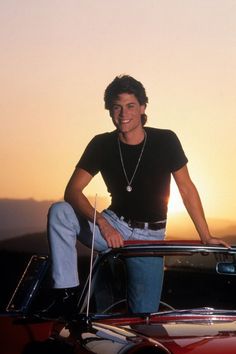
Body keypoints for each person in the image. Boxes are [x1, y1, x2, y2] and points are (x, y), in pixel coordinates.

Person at [44, 75, 229, 318]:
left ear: (142, 108)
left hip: (149, 239)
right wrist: (102, 222)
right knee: (60, 212)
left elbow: (186, 188)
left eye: (130, 106)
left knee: (144, 320)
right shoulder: (101, 144)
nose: (123, 113)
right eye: (117, 107)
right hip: (112, 224)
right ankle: (66, 295)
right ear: (110, 110)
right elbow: (72, 191)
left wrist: (205, 235)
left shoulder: (165, 140)